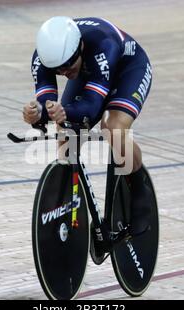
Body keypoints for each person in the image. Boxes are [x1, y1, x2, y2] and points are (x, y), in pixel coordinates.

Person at [23, 16, 153, 256]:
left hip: (129, 69)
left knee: (113, 127)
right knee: (66, 139)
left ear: (79, 47)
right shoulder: (44, 58)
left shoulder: (104, 43)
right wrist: (37, 114)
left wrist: (65, 112)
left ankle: (138, 186)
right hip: (89, 71)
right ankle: (70, 208)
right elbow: (46, 105)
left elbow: (91, 108)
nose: (63, 72)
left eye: (67, 66)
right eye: (58, 70)